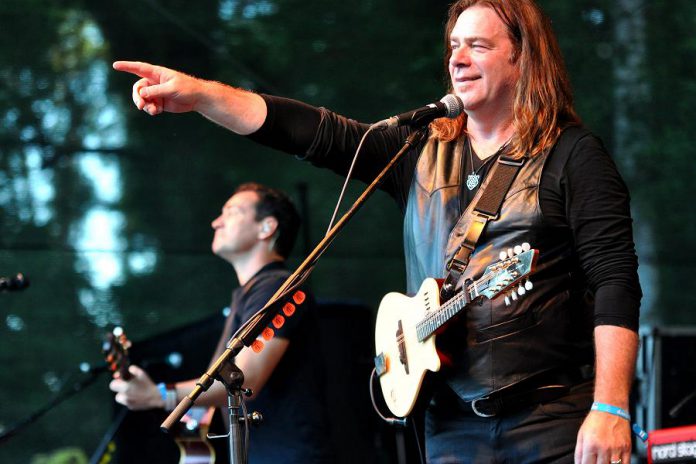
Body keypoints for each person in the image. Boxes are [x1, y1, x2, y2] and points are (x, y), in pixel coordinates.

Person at [112, 0, 642, 462]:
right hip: (449, 422)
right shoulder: (418, 152)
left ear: (523, 57)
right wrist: (203, 95)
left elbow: (616, 281)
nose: (457, 59)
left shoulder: (573, 156)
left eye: (478, 45)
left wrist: (611, 405)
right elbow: (309, 131)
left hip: (550, 417)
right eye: (454, 45)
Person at [109, 183, 333, 464]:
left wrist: (160, 395)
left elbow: (245, 378)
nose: (216, 222)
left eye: (233, 212)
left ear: (266, 228)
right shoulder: (249, 295)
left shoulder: (278, 288)